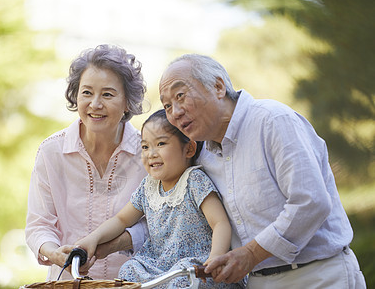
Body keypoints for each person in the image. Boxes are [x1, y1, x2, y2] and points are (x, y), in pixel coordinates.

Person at [97, 53, 366, 288]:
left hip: (317, 277)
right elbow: (172, 218)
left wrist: (250, 254)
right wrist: (103, 247)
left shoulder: (273, 121)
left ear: (218, 86)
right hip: (256, 282)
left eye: (180, 96)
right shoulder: (200, 154)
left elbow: (311, 202)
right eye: (167, 105)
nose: (175, 112)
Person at [74, 109, 245, 288]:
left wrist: (215, 258)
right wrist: (93, 239)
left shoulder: (194, 180)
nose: (151, 153)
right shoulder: (148, 186)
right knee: (129, 269)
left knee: (182, 278)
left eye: (161, 143)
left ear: (189, 149)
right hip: (160, 266)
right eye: (145, 147)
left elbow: (220, 223)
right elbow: (121, 219)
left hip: (196, 267)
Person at [25, 44, 148, 281]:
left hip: (134, 284)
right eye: (87, 92)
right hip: (68, 283)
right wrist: (55, 253)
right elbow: (38, 226)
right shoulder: (52, 151)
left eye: (108, 94)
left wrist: (110, 245)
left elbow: (161, 225)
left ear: (127, 103)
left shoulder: (150, 153)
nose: (95, 104)